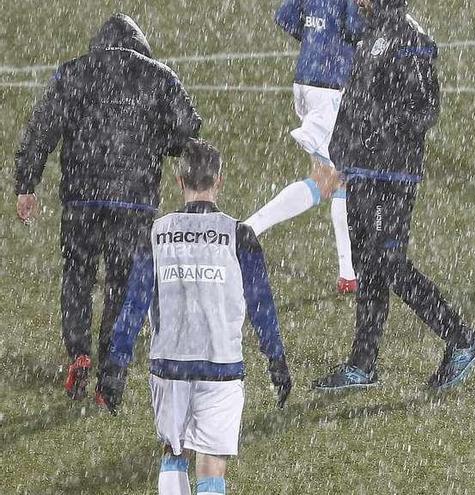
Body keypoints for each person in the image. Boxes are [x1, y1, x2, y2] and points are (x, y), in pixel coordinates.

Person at [13, 14, 201, 402]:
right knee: (122, 287)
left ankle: (79, 352)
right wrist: (157, 142)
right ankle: (110, 377)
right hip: (134, 203)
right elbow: (188, 129)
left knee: (77, 277)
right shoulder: (159, 76)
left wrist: (26, 185)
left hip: (81, 198)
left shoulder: (73, 73)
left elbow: (40, 129)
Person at [311, 0, 475, 391]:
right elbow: (356, 101)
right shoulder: (371, 33)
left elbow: (424, 108)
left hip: (390, 175)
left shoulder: (412, 38)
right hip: (361, 170)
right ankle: (362, 365)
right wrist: (341, 153)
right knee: (368, 266)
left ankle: (461, 339)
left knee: (389, 263)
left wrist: (376, 138)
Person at [100, 139, 292, 495]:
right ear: (219, 181)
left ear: (179, 180)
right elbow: (262, 305)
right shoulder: (240, 235)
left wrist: (116, 366)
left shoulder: (155, 234)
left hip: (169, 365)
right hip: (221, 365)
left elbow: (134, 304)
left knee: (174, 452)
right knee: (212, 464)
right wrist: (276, 359)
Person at [243, 0, 365, 294]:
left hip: (305, 80)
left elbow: (285, 17)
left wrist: (315, 42)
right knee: (338, 180)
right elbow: (355, 27)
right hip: (330, 86)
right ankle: (249, 228)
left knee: (328, 175)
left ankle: (348, 275)